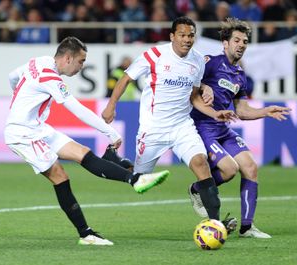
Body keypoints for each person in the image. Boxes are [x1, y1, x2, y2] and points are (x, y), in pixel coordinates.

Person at [4, 36, 170, 246]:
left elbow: (12, 76)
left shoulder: (38, 62)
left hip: (38, 127)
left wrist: (17, 98)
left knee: (82, 153)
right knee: (59, 175)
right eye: (81, 61)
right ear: (67, 58)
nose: (82, 67)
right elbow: (78, 110)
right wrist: (109, 132)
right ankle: (86, 234)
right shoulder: (50, 78)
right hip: (22, 133)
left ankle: (135, 179)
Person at [102, 16, 238, 229]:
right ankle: (114, 161)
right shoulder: (155, 54)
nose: (187, 39)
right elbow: (126, 78)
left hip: (182, 126)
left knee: (201, 164)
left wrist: (214, 113)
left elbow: (193, 97)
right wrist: (111, 106)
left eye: (191, 35)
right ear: (172, 36)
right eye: (182, 35)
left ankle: (215, 224)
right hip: (153, 129)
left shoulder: (197, 61)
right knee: (139, 182)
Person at [189, 17, 291, 238]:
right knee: (229, 169)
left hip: (224, 129)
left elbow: (242, 111)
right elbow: (190, 81)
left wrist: (265, 111)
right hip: (203, 127)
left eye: (244, 41)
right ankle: (197, 189)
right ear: (225, 43)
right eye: (237, 40)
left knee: (251, 168)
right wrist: (205, 85)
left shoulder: (240, 75)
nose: (241, 45)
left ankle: (247, 227)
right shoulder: (210, 62)